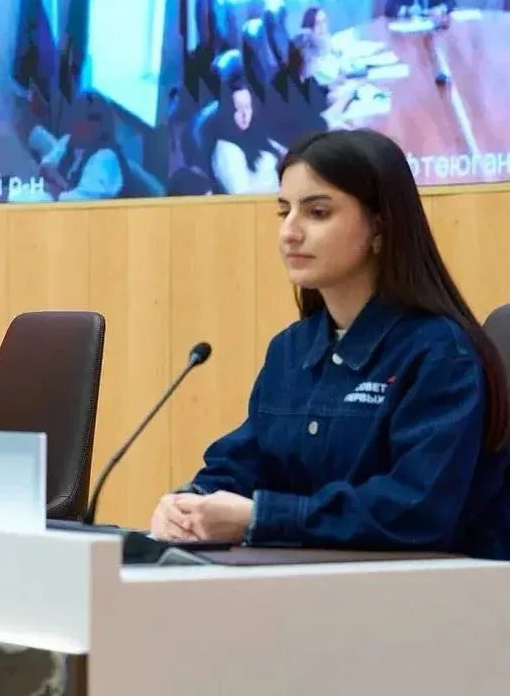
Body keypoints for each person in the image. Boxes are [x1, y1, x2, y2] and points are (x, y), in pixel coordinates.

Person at [150, 129, 510, 559]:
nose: (289, 232)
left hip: (431, 587)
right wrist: (189, 502)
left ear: (380, 225)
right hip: (312, 578)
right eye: (283, 211)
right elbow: (246, 460)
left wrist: (261, 517)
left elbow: (415, 509)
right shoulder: (290, 349)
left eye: (317, 213)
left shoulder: (441, 352)